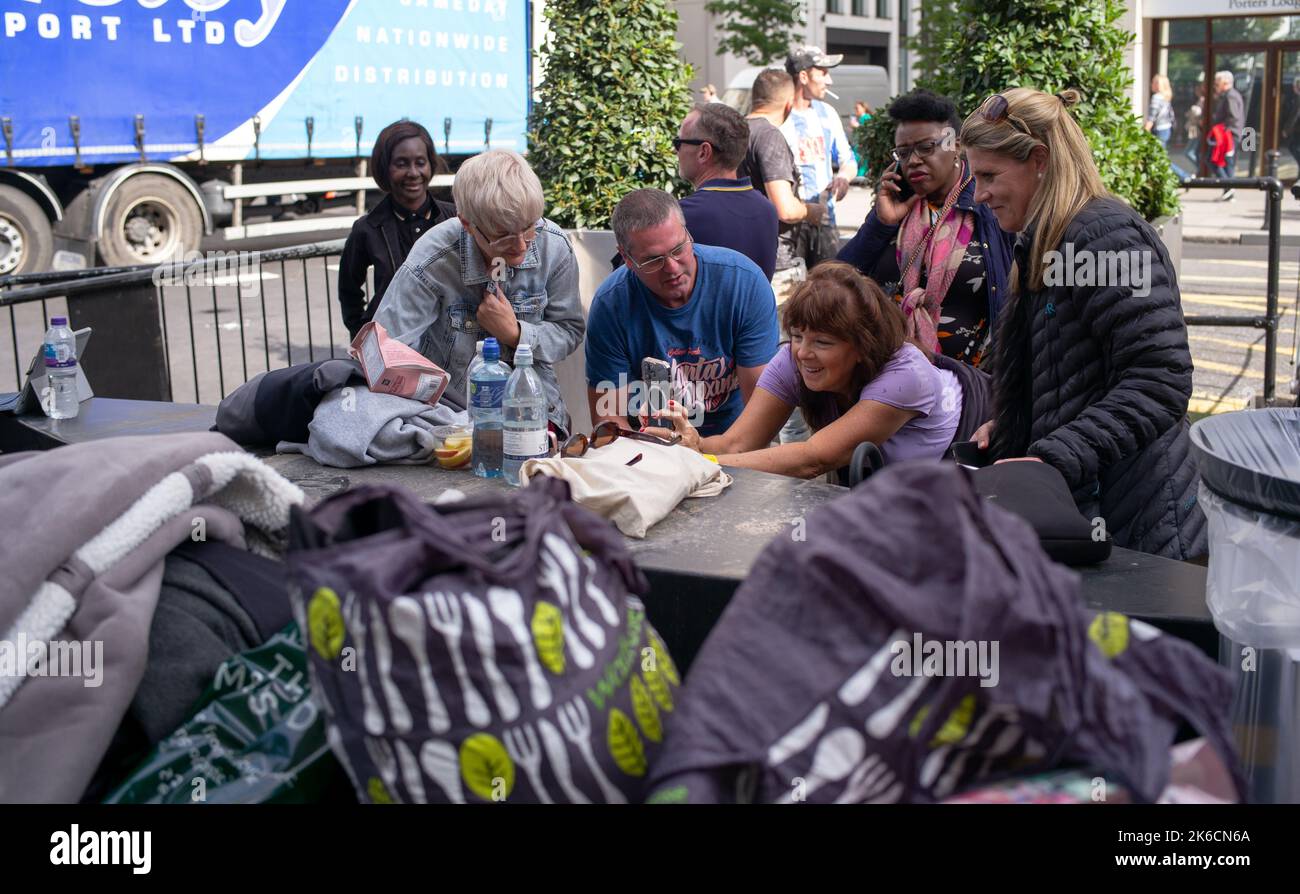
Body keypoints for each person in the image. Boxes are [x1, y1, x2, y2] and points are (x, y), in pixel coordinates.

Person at [960, 87, 1206, 560]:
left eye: (989, 175)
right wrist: (1011, 424)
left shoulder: (1104, 236)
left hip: (1137, 528)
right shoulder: (1049, 238)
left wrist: (1049, 459)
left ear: (1039, 160)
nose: (980, 193)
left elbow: (1160, 381)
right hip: (1093, 512)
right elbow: (1068, 373)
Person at [642, 262, 985, 481]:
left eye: (823, 342)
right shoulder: (794, 358)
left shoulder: (906, 376)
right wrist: (694, 446)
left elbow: (813, 459)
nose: (804, 352)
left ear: (861, 347)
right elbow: (738, 443)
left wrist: (703, 465)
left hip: (962, 463)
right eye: (797, 335)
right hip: (887, 485)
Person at [374, 149, 584, 435]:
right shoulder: (432, 260)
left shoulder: (554, 246)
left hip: (536, 413)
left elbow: (569, 330)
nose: (521, 246)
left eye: (528, 229)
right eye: (504, 236)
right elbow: (386, 351)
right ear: (467, 224)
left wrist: (516, 334)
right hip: (451, 418)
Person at [838, 90, 1014, 369]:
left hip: (974, 388)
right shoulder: (897, 211)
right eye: (904, 153)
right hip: (889, 379)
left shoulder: (989, 207)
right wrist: (881, 223)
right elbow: (838, 280)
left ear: (955, 145)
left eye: (926, 147)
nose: (913, 161)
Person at [585, 189, 778, 438]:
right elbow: (608, 418)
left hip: (732, 442)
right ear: (627, 258)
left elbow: (761, 409)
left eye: (678, 249)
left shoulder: (743, 283)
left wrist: (714, 454)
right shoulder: (611, 305)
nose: (672, 268)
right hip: (647, 447)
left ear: (688, 233)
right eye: (653, 260)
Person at [337, 120, 456, 340]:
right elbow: (349, 291)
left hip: (448, 346)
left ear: (430, 164)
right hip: (391, 346)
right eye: (401, 164)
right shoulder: (367, 229)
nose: (413, 173)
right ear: (385, 167)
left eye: (420, 162)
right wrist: (363, 335)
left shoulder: (455, 219)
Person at [739, 68, 827, 302]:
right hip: (776, 265)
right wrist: (812, 210)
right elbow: (785, 209)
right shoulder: (769, 136)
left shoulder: (734, 134)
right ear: (789, 104)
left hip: (741, 258)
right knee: (783, 338)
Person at [675, 102, 780, 279]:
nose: (675, 151)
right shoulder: (767, 210)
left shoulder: (681, 216)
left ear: (704, 152)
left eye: (678, 143)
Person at [782, 45, 859, 267]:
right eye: (823, 73)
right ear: (804, 76)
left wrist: (844, 177)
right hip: (787, 225)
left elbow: (849, 160)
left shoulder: (828, 113)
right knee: (789, 295)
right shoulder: (779, 116)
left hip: (825, 220)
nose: (829, 80)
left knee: (830, 293)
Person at [1145, 74, 1189, 182]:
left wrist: (1145, 131)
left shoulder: (1156, 97)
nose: (1152, 84)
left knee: (1160, 158)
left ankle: (1183, 176)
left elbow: (1152, 116)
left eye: (1154, 82)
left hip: (1160, 130)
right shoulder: (1165, 97)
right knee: (1161, 157)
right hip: (1166, 129)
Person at [1210, 70, 1244, 201]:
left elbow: (1234, 116)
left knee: (1220, 161)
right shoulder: (1228, 95)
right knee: (1223, 162)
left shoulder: (1231, 96)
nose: (1215, 85)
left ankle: (1229, 188)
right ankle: (1229, 190)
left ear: (1225, 82)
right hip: (1229, 134)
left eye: (1217, 83)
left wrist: (1223, 130)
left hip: (1229, 135)